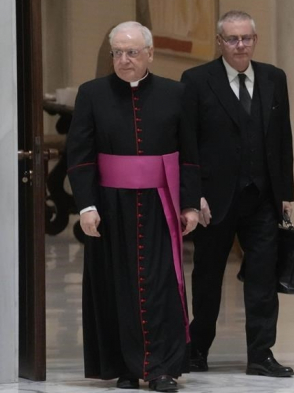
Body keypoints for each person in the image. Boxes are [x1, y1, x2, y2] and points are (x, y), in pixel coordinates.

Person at [66, 21, 200, 392]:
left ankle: (161, 368)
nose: (123, 60)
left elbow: (189, 155)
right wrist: (87, 206)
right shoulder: (92, 93)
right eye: (117, 53)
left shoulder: (176, 94)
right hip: (109, 207)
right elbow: (79, 156)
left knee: (160, 285)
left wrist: (189, 204)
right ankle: (125, 366)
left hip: (160, 204)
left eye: (132, 52)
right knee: (115, 286)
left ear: (150, 54)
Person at [180, 10, 294, 377]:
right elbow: (188, 144)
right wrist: (193, 196)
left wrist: (286, 192)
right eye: (232, 39)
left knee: (263, 278)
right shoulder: (197, 80)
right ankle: (197, 350)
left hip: (262, 197)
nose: (240, 45)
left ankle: (261, 355)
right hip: (214, 200)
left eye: (246, 38)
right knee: (208, 278)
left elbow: (283, 139)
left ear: (255, 40)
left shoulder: (274, 78)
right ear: (220, 42)